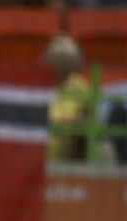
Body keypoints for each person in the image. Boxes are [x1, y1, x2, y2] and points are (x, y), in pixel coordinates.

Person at [42, 33, 90, 162]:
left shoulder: (80, 86)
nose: (62, 71)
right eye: (58, 65)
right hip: (34, 155)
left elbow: (90, 120)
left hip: (64, 162)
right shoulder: (35, 83)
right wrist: (69, 122)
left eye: (67, 67)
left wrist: (84, 121)